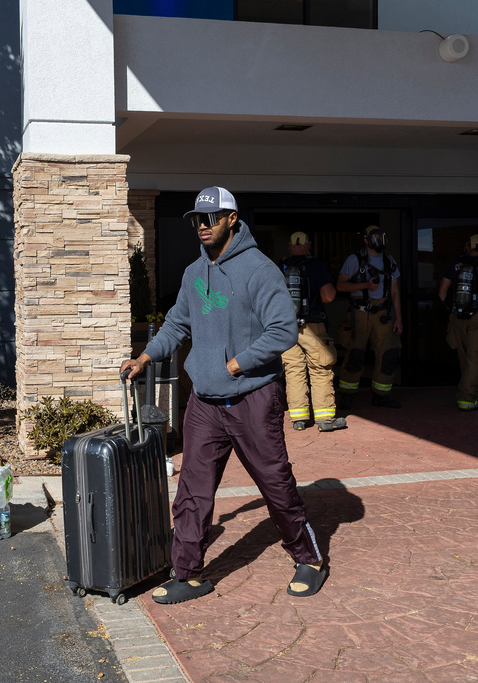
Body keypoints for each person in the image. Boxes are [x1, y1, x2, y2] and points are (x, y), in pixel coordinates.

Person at [120, 186, 328, 605]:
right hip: (205, 402)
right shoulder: (194, 273)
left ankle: (309, 559)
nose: (202, 226)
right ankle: (189, 573)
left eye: (210, 218)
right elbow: (177, 324)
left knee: (275, 484)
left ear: (232, 219)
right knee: (193, 491)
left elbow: (283, 331)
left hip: (252, 397)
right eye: (197, 219)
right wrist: (145, 356)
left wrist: (237, 364)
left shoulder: (259, 270)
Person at [279, 231, 347, 432]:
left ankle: (299, 419)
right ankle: (325, 419)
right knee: (320, 369)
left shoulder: (280, 267)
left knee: (294, 371)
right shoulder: (316, 266)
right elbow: (328, 297)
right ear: (309, 245)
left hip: (287, 328)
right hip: (313, 327)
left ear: (290, 246)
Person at [334, 226, 403, 409]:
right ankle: (347, 395)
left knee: (388, 354)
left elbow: (395, 292)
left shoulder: (389, 261)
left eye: (381, 236)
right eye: (374, 236)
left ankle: (381, 395)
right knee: (356, 354)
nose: (378, 239)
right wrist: (365, 285)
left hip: (384, 315)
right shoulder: (354, 259)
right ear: (366, 239)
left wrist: (399, 318)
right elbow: (340, 286)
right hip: (360, 314)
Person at [437, 235, 478, 411]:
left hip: (457, 318)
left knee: (466, 360)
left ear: (467, 247)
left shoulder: (454, 265)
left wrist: (452, 311)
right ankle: (466, 399)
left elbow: (442, 294)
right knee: (475, 360)